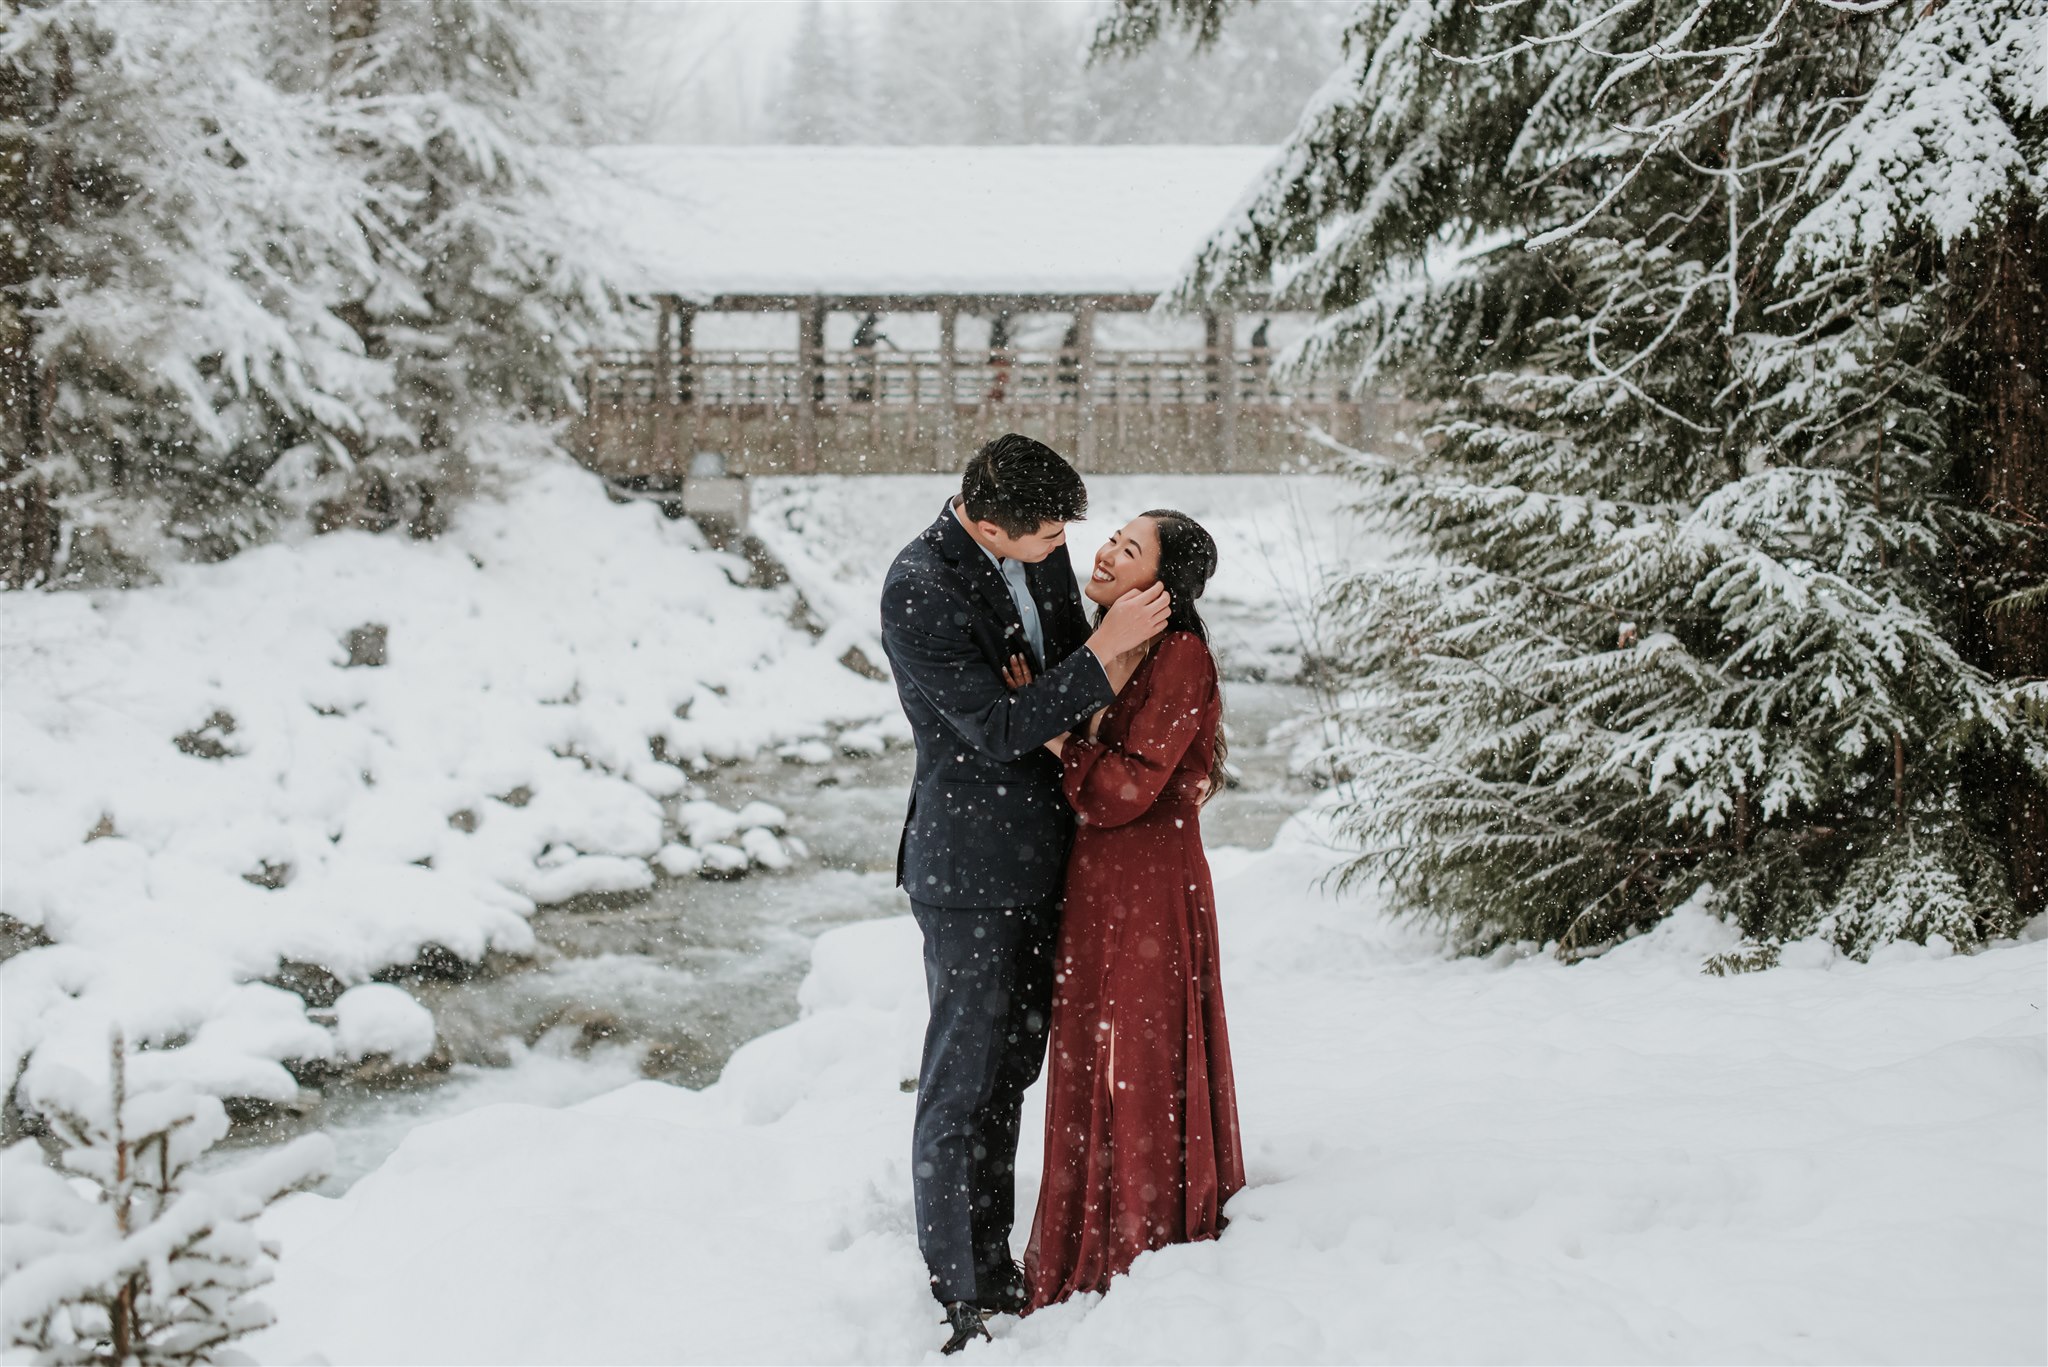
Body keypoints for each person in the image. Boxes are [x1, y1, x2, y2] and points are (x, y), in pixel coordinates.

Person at [878, 434, 1174, 1354]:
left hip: (1055, 851)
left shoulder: (1035, 556)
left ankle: (999, 1255)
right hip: (967, 869)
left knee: (1016, 1069)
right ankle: (961, 1285)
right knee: (963, 1079)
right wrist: (1101, 658)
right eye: (1047, 534)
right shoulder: (919, 584)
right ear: (986, 518)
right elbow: (1001, 726)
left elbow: (1052, 687)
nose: (1063, 549)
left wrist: (1081, 675)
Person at [1013, 509, 1246, 1310]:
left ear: (1163, 583)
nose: (1108, 550)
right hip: (1099, 877)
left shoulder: (1181, 654)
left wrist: (1050, 736)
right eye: (1114, 536)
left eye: (1131, 548)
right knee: (1093, 1047)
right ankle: (1095, 1225)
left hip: (1149, 881)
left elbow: (1121, 789)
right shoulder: (1106, 642)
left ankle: (1142, 1233)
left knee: (1138, 1051)